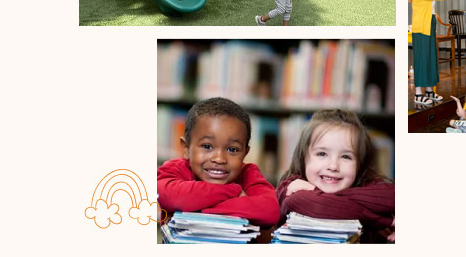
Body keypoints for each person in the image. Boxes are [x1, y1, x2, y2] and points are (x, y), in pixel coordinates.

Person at [157, 97, 280, 227]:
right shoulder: (175, 168)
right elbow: (165, 196)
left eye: (232, 149)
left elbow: (270, 211)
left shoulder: (248, 173)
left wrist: (194, 208)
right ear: (186, 148)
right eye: (207, 146)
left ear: (245, 153)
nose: (219, 159)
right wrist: (232, 192)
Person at [276, 110, 395, 242]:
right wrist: (384, 220)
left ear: (360, 164)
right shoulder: (290, 187)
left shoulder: (364, 181)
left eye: (345, 156)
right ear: (303, 157)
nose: (333, 166)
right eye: (322, 154)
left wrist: (318, 193)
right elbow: (315, 206)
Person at [408, 0, 466, 106]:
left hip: (428, 26)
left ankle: (429, 91)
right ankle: (418, 94)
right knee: (422, 60)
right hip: (421, 29)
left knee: (430, 59)